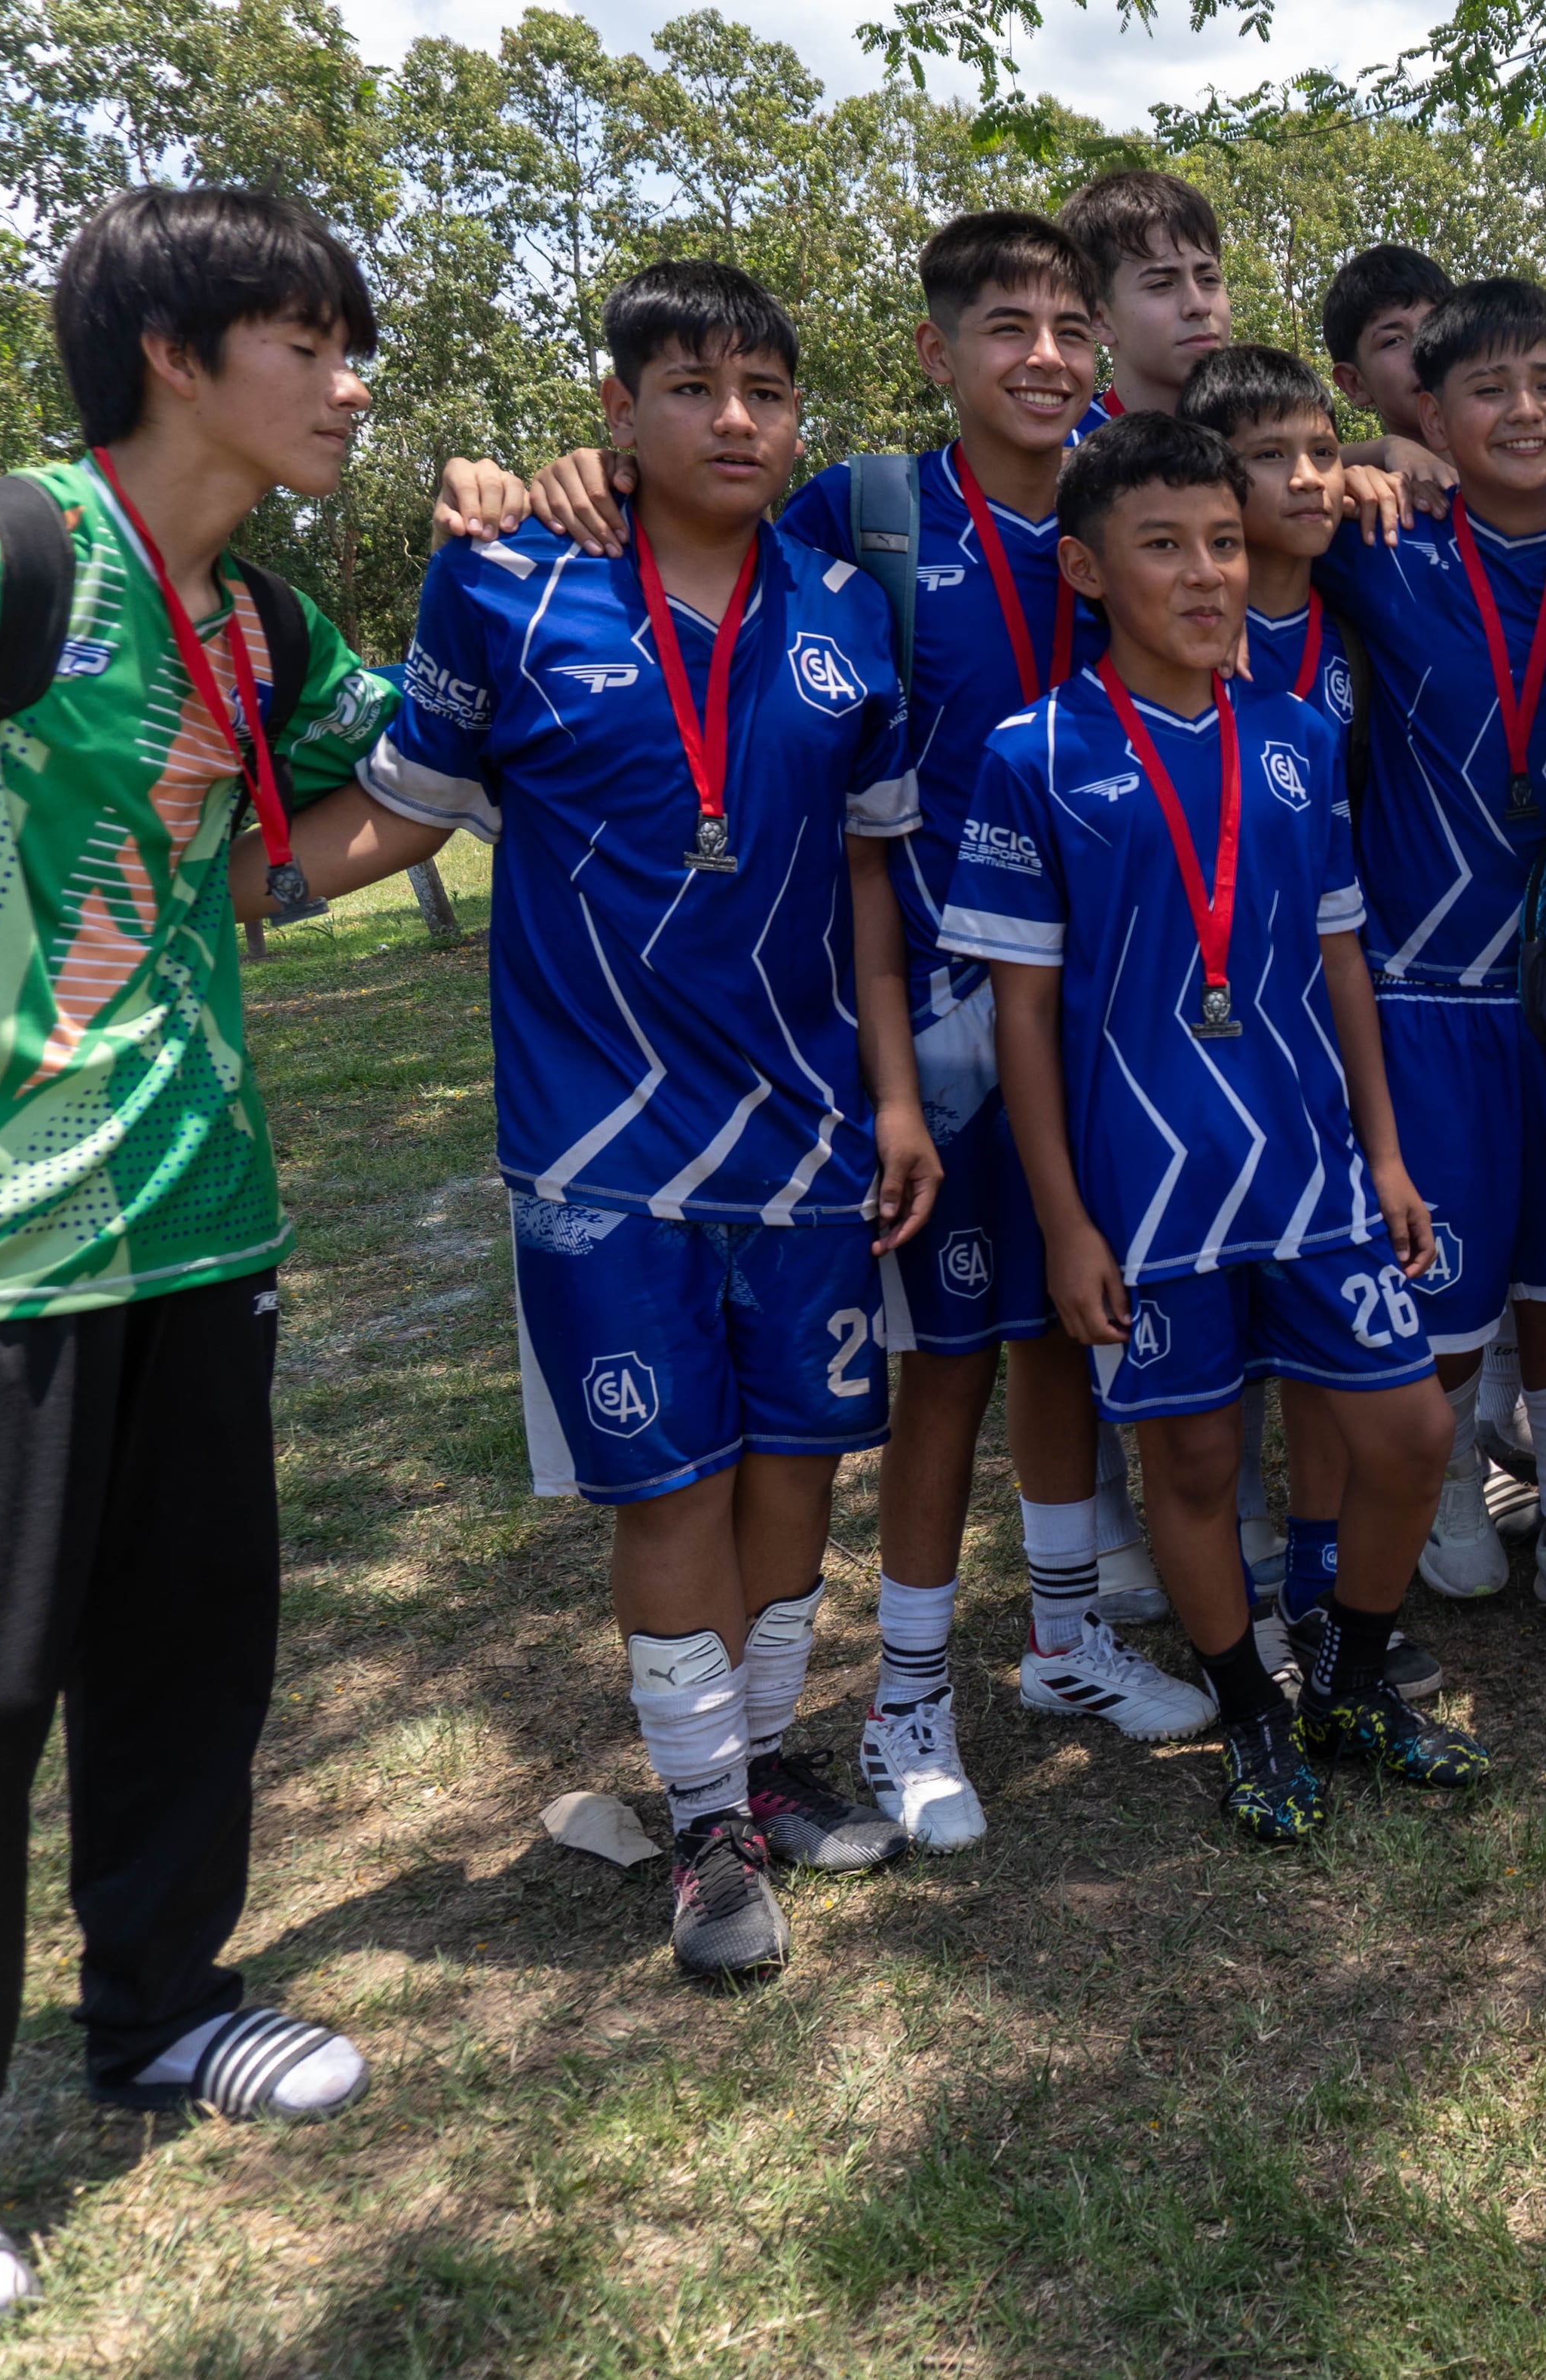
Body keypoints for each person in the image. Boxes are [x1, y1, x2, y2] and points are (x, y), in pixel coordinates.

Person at [0, 185, 406, 2352]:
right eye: (315, 340)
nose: (353, 381)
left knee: (193, 1642)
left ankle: (161, 2002)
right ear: (179, 354)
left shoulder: (255, 617)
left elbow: (305, 849)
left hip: (201, 1222)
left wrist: (515, 617)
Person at [301, 259, 941, 1982]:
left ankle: (755, 1762)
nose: (733, 421)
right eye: (689, 387)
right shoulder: (508, 584)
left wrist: (893, 1096)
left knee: (803, 1466)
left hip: (808, 1131)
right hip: (603, 1150)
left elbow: (875, 888)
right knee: (674, 1481)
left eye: (766, 394)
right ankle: (707, 1832)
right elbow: (404, 810)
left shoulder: (838, 612)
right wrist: (233, 889)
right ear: (619, 411)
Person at [946, 412, 1489, 1842]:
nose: (1205, 575)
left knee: (1414, 1429)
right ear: (1083, 569)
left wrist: (1383, 1151)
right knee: (1190, 1464)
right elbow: (1020, 1021)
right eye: (1164, 545)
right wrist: (1065, 1222)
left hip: (1309, 1165)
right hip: (1145, 1185)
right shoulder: (1033, 754)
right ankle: (1251, 1712)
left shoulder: (1301, 736)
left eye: (1225, 545)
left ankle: (1351, 1682)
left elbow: (1341, 959)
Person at [783, 213, 1215, 1849]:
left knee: (1058, 1322)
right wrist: (532, 479)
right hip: (948, 1006)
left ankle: (1060, 1639)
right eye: (1003, 326)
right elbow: (671, 516)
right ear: (935, 353)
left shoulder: (1141, 490)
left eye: (1063, 324)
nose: (1043, 354)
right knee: (944, 1362)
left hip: (1117, 998)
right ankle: (903, 1698)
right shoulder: (871, 513)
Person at [1312, 280, 1546, 1653]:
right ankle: (1448, 1495)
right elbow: (1232, 489)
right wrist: (1352, 465)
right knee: (1442, 1288)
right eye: (1486, 389)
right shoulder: (1384, 539)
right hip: (1428, 980)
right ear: (1432, 414)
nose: (1524, 410)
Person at [1181, 342, 1451, 1703]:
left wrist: (1388, 458)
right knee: (1211, 1347)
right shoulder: (1171, 618)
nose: (1301, 480)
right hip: (1181, 1044)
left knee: (1341, 1337)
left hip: (1328, 1015)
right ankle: (1215, 1606)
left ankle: (1321, 1576)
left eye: (1315, 450)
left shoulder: (1345, 604)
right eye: (1265, 461)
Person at [1056, 168, 1232, 430]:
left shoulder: (1271, 444)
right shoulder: (1057, 452)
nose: (1199, 306)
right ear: (1099, 320)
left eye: (1208, 279)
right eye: (1162, 284)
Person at [1323, 243, 1452, 446]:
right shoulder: (1353, 476)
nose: (1426, 349)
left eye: (1437, 326)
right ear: (1354, 383)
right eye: (1394, 341)